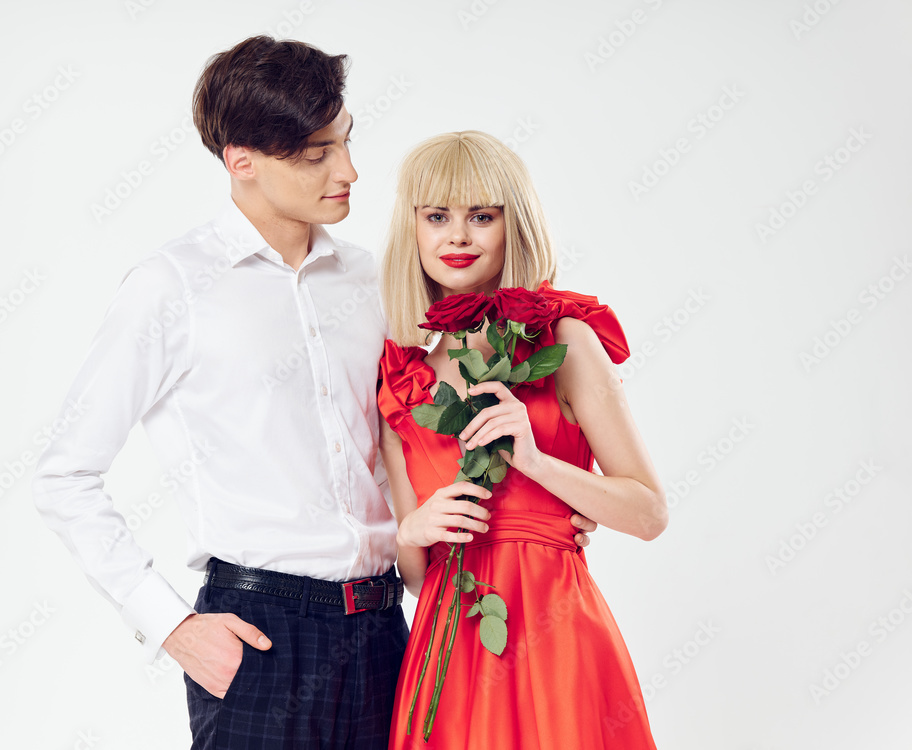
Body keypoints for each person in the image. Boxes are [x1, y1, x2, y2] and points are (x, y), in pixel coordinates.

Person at [32, 36, 411, 749]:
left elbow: (406, 444)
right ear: (242, 162)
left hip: (387, 631)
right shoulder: (171, 288)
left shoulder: (372, 281)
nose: (351, 171)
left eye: (347, 142)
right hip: (258, 639)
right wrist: (170, 625)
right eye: (316, 154)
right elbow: (64, 476)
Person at [377, 131, 668, 749]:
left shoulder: (563, 342)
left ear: (515, 226)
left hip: (554, 625)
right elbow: (411, 572)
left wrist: (535, 463)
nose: (457, 236)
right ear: (414, 231)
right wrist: (412, 532)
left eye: (481, 216)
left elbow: (648, 513)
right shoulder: (406, 380)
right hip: (450, 634)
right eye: (437, 217)